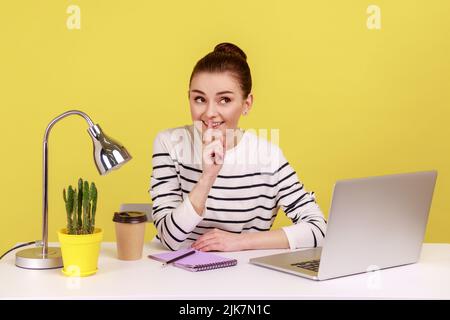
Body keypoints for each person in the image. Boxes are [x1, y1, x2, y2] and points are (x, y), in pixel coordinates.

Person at [149, 42, 327, 252]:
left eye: (224, 99)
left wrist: (239, 242)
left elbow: (318, 229)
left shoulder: (267, 155)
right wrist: (208, 177)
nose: (209, 112)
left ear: (246, 104)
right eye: (199, 99)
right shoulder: (169, 143)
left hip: (245, 275)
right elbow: (169, 239)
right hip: (176, 272)